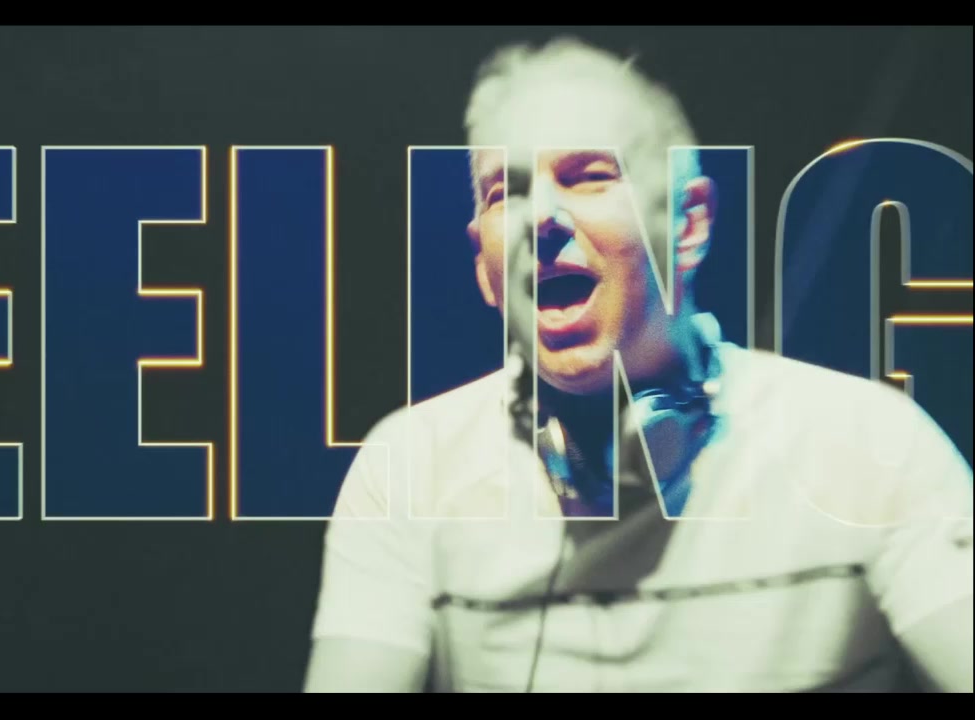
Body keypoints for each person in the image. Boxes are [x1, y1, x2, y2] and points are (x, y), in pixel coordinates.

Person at [302, 37, 974, 692]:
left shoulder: (872, 446)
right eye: (505, 192)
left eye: (589, 176)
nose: (543, 218)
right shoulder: (409, 468)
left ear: (689, 224)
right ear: (483, 261)